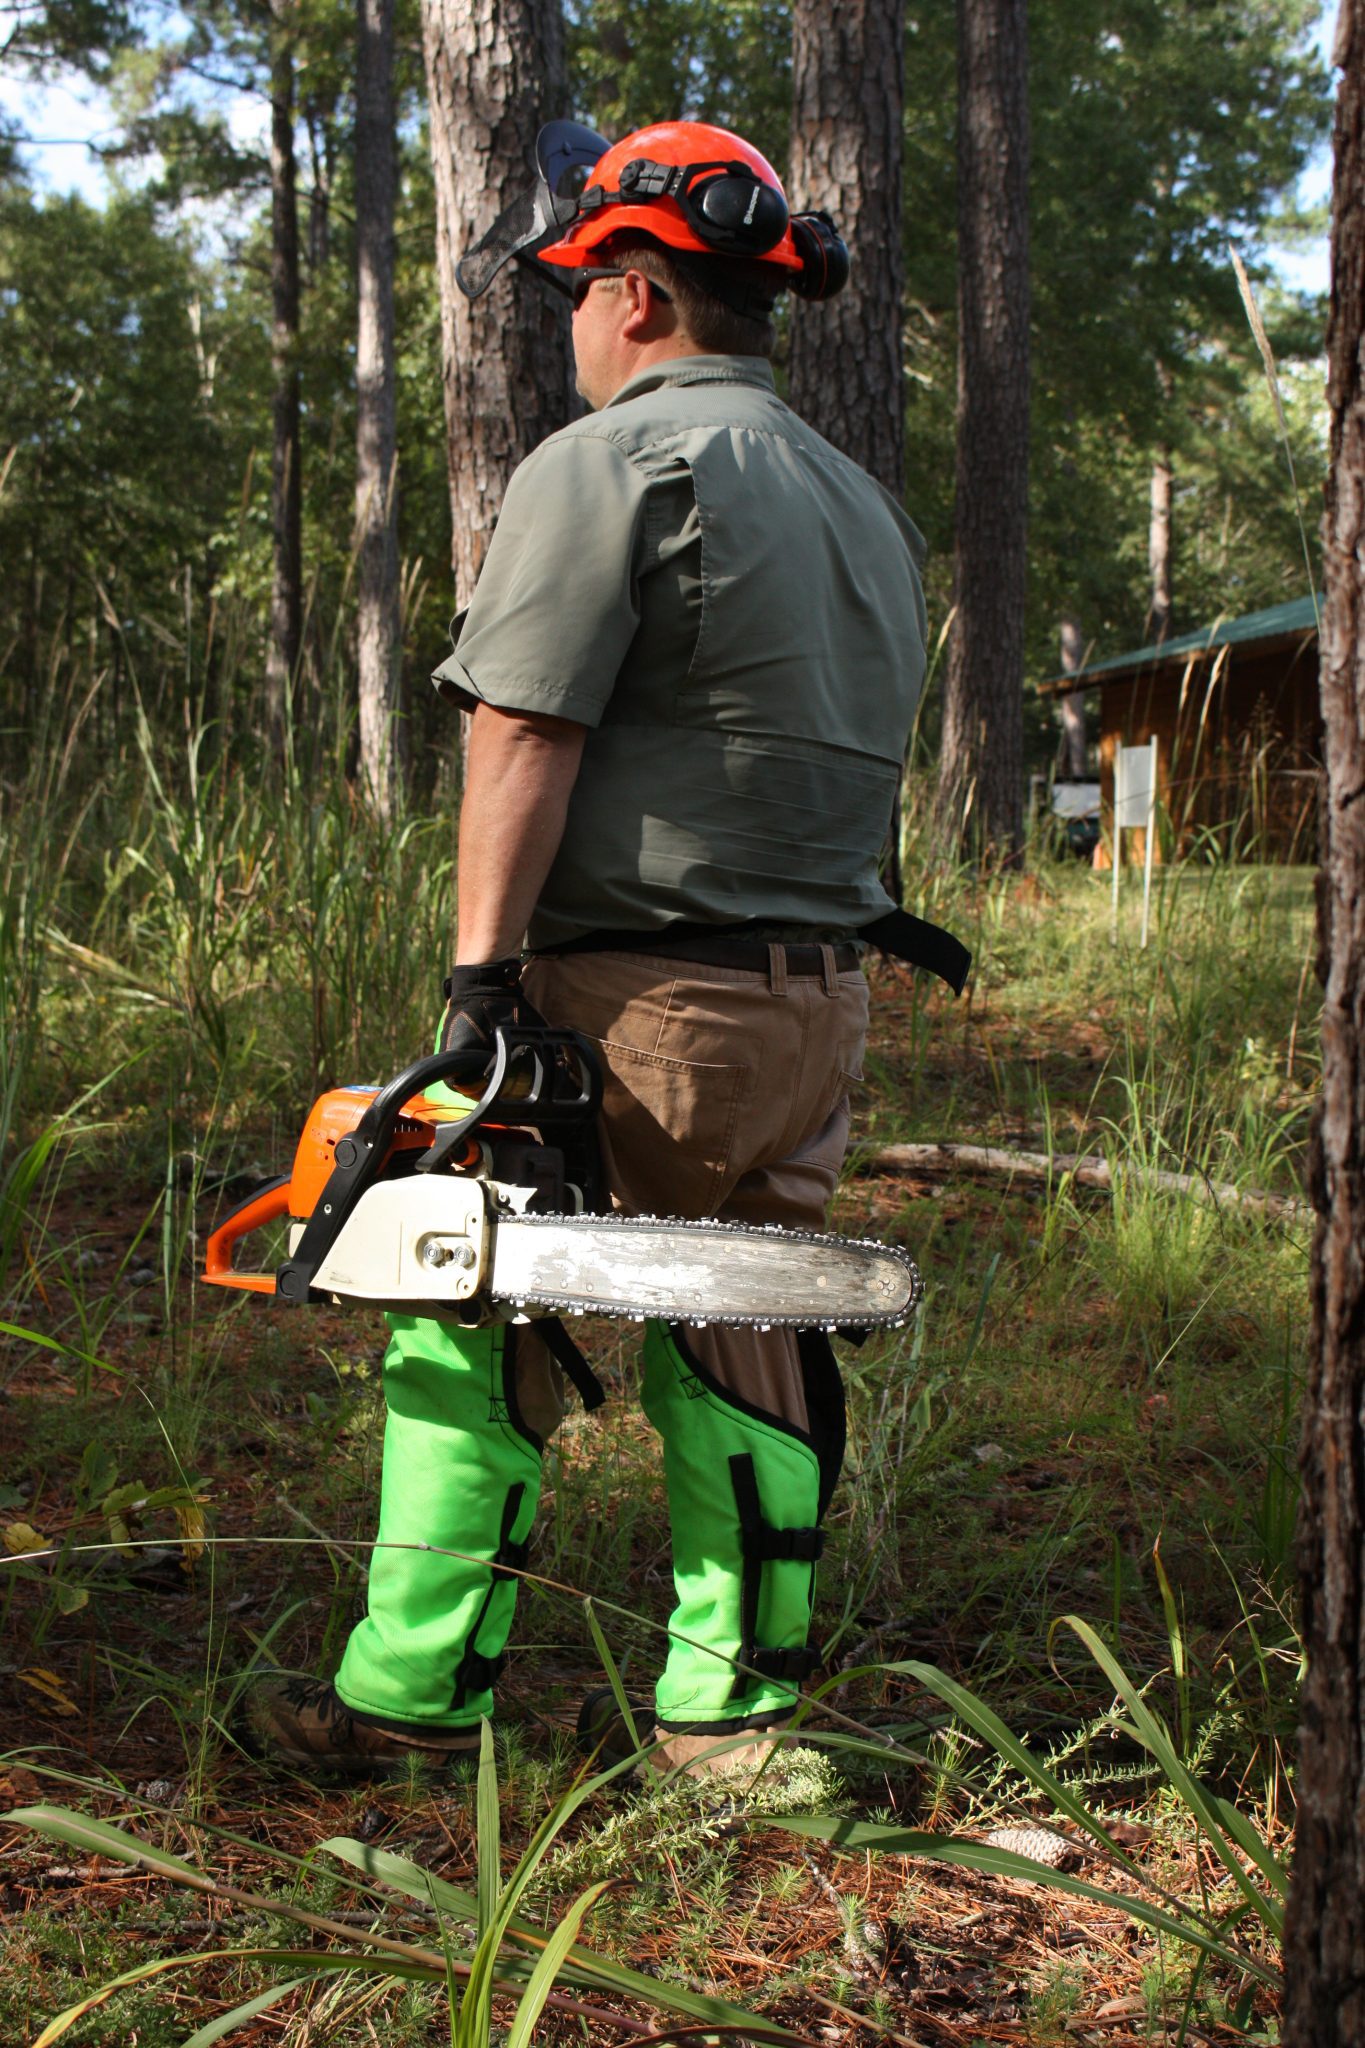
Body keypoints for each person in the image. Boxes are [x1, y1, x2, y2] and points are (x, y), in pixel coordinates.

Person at [254, 119, 957, 1778]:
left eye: (576, 293)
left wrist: (483, 976)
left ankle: (405, 1711)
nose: (569, 328)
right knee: (750, 1316)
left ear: (636, 296)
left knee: (456, 1291)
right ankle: (735, 1724)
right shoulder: (860, 501)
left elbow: (523, 731)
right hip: (814, 1006)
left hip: (630, 999)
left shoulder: (613, 465)